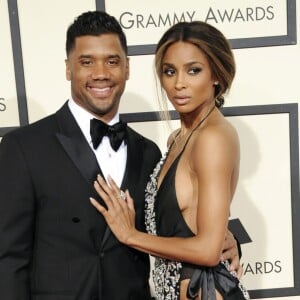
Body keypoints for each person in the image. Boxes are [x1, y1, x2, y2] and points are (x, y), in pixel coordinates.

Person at [0, 11, 241, 300]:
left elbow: (181, 226)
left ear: (127, 68)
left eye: (112, 62)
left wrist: (227, 241)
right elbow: (9, 258)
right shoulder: (24, 147)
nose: (100, 73)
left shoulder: (149, 152)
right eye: (86, 62)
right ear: (68, 68)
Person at [90, 21, 249, 300]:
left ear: (216, 75)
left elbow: (208, 251)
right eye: (169, 71)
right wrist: (228, 236)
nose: (179, 84)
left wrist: (130, 236)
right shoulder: (178, 139)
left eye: (193, 70)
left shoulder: (213, 138)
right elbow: (194, 222)